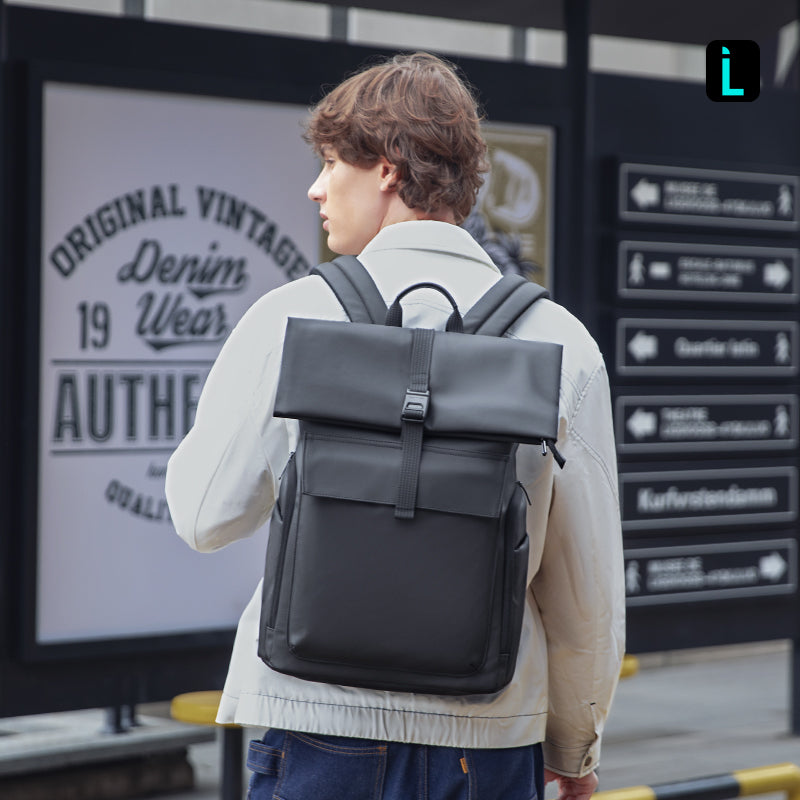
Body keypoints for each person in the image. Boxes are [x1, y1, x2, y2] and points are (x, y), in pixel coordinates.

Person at [166, 52, 625, 800]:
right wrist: (574, 753)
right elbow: (584, 592)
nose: (316, 187)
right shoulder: (560, 340)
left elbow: (205, 517)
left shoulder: (288, 316)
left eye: (329, 162)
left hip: (317, 727)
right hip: (490, 737)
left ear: (385, 167)